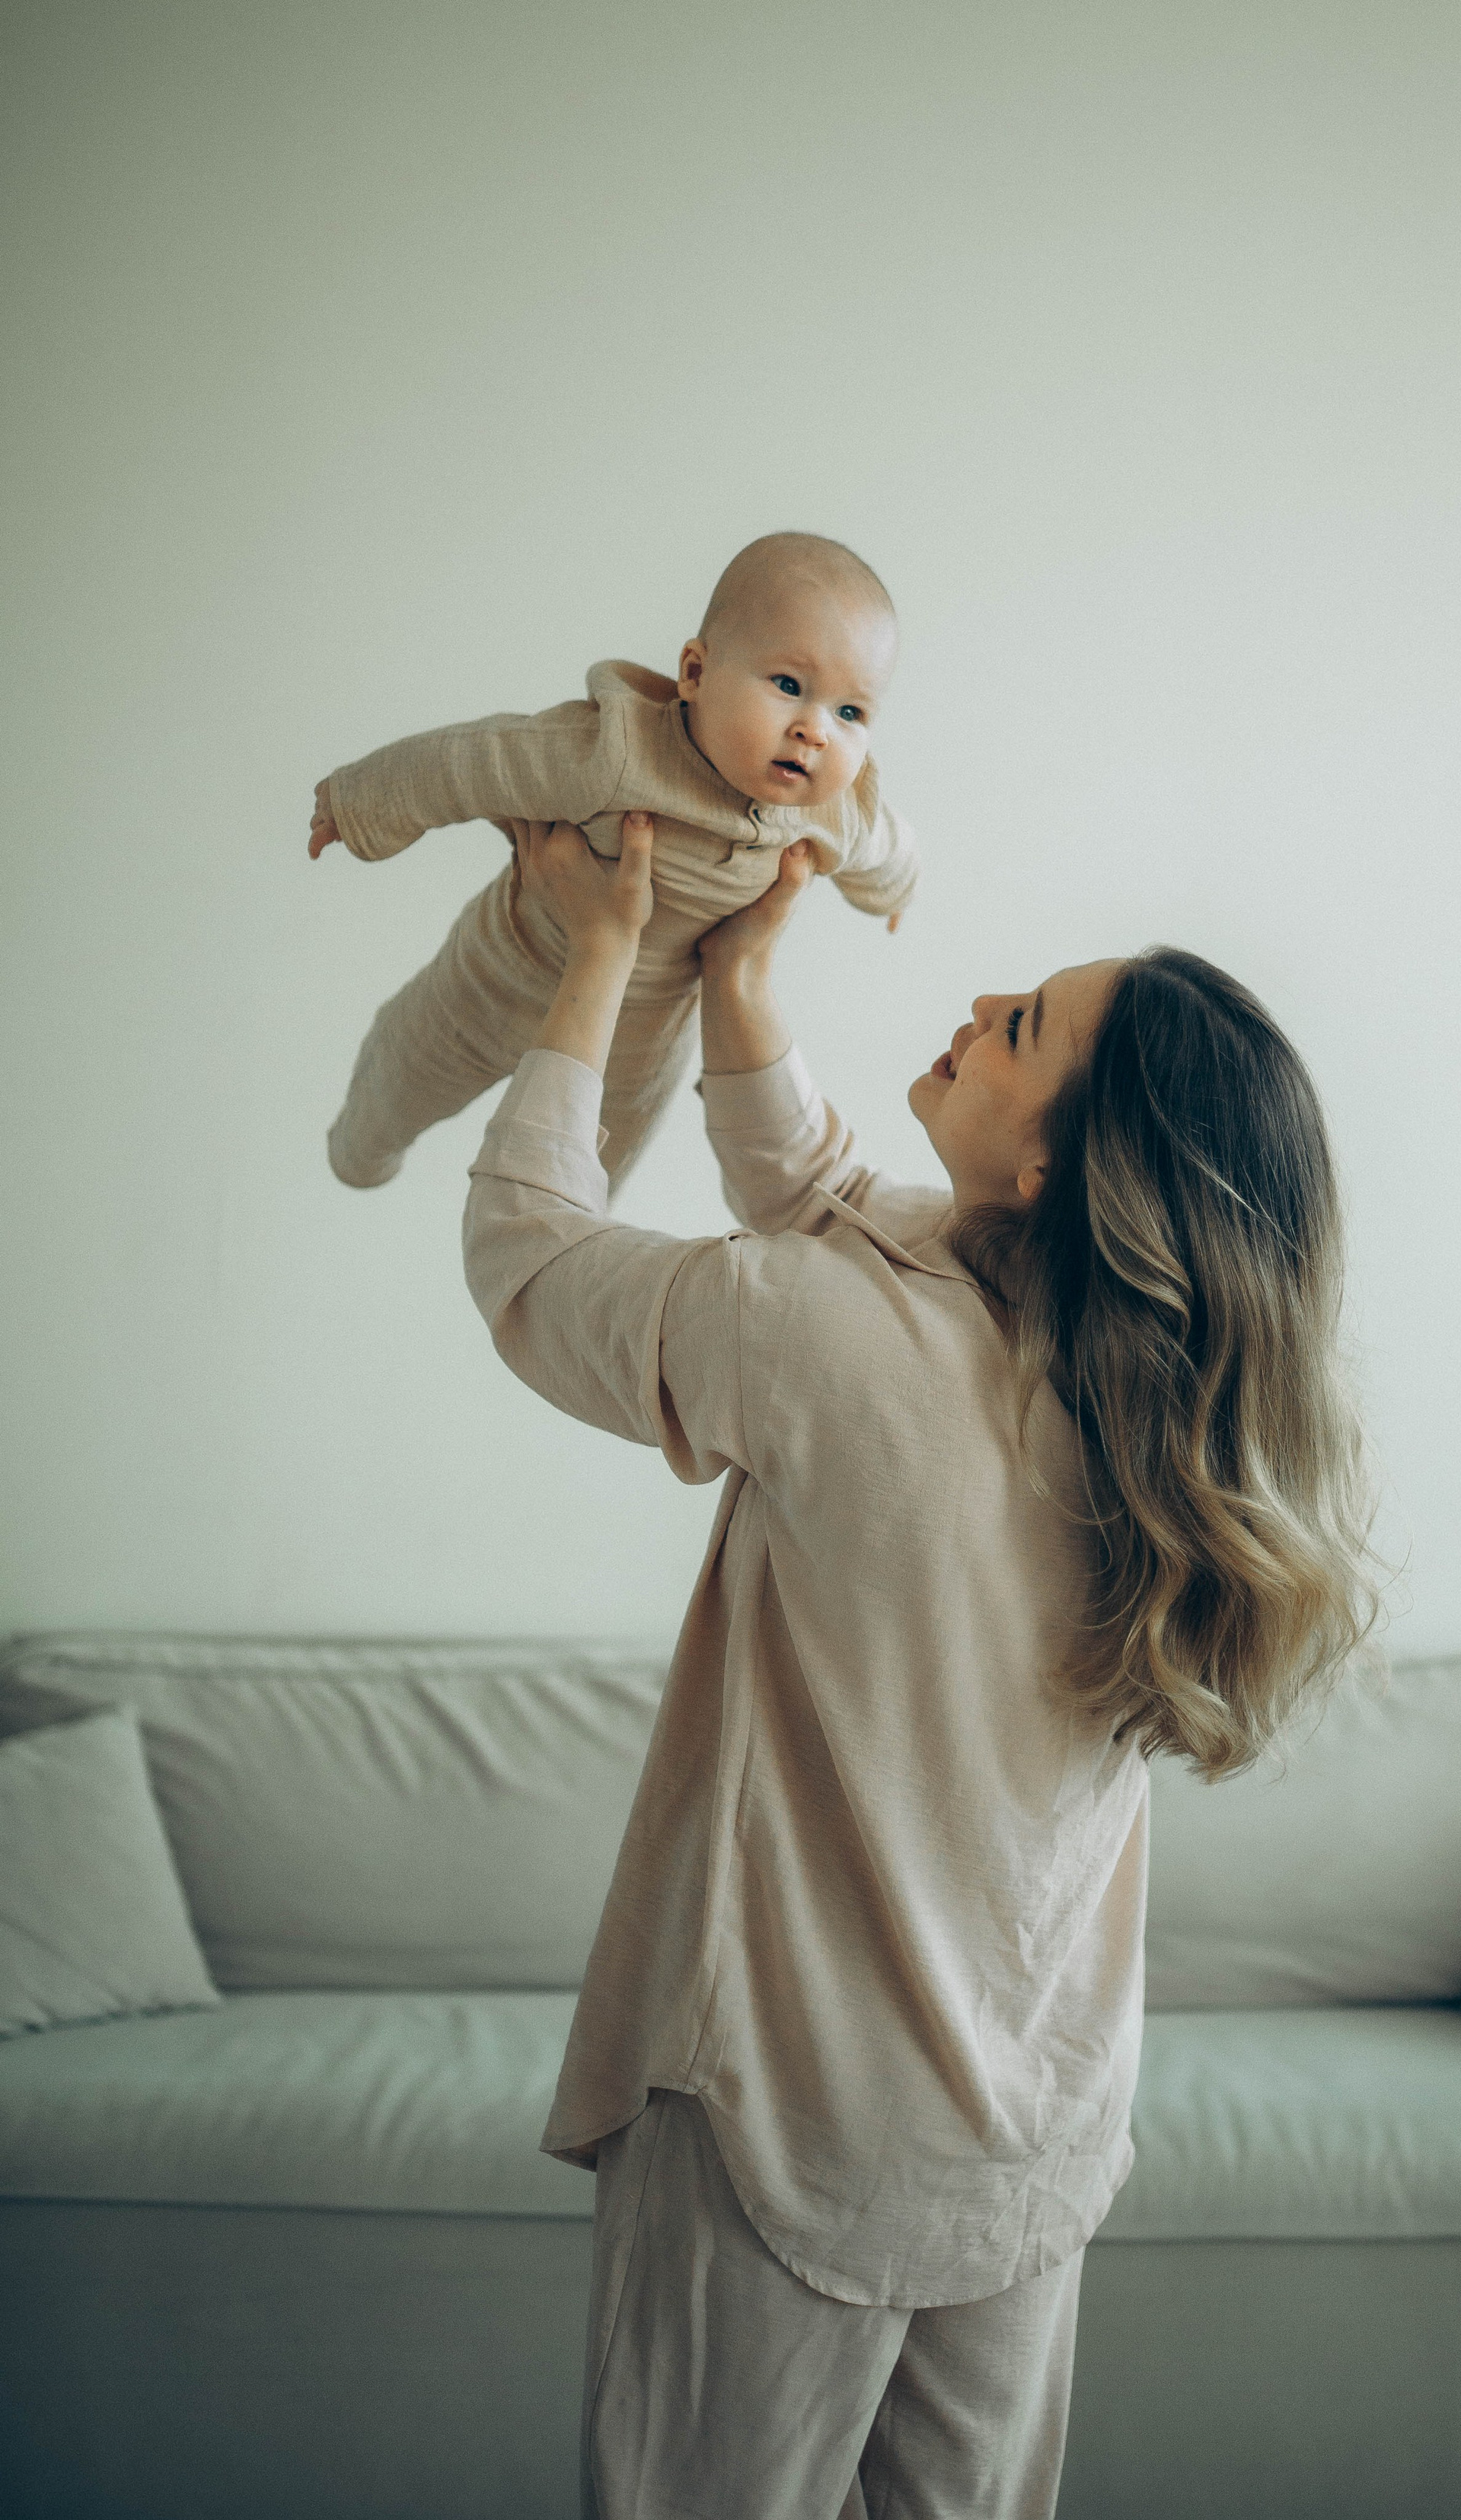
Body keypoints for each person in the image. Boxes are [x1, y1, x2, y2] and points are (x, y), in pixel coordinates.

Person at [461, 810, 1376, 2519]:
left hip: (783, 2126)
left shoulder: (825, 1337)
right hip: (1019, 2144)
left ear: (1052, 1173)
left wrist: (595, 952)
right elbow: (830, 1204)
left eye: (1018, 1025)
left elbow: (527, 1256)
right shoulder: (1140, 1406)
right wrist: (741, 980)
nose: (977, 1003)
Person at [309, 531, 916, 1191]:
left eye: (850, 711)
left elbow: (885, 849)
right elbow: (477, 760)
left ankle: (570, 1222)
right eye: (789, 684)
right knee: (406, 1069)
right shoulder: (620, 751)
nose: (814, 730)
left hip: (637, 1045)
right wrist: (360, 802)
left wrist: (895, 891)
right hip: (501, 973)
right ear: (695, 674)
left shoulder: (837, 813)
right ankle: (360, 1152)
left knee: (588, 1176)